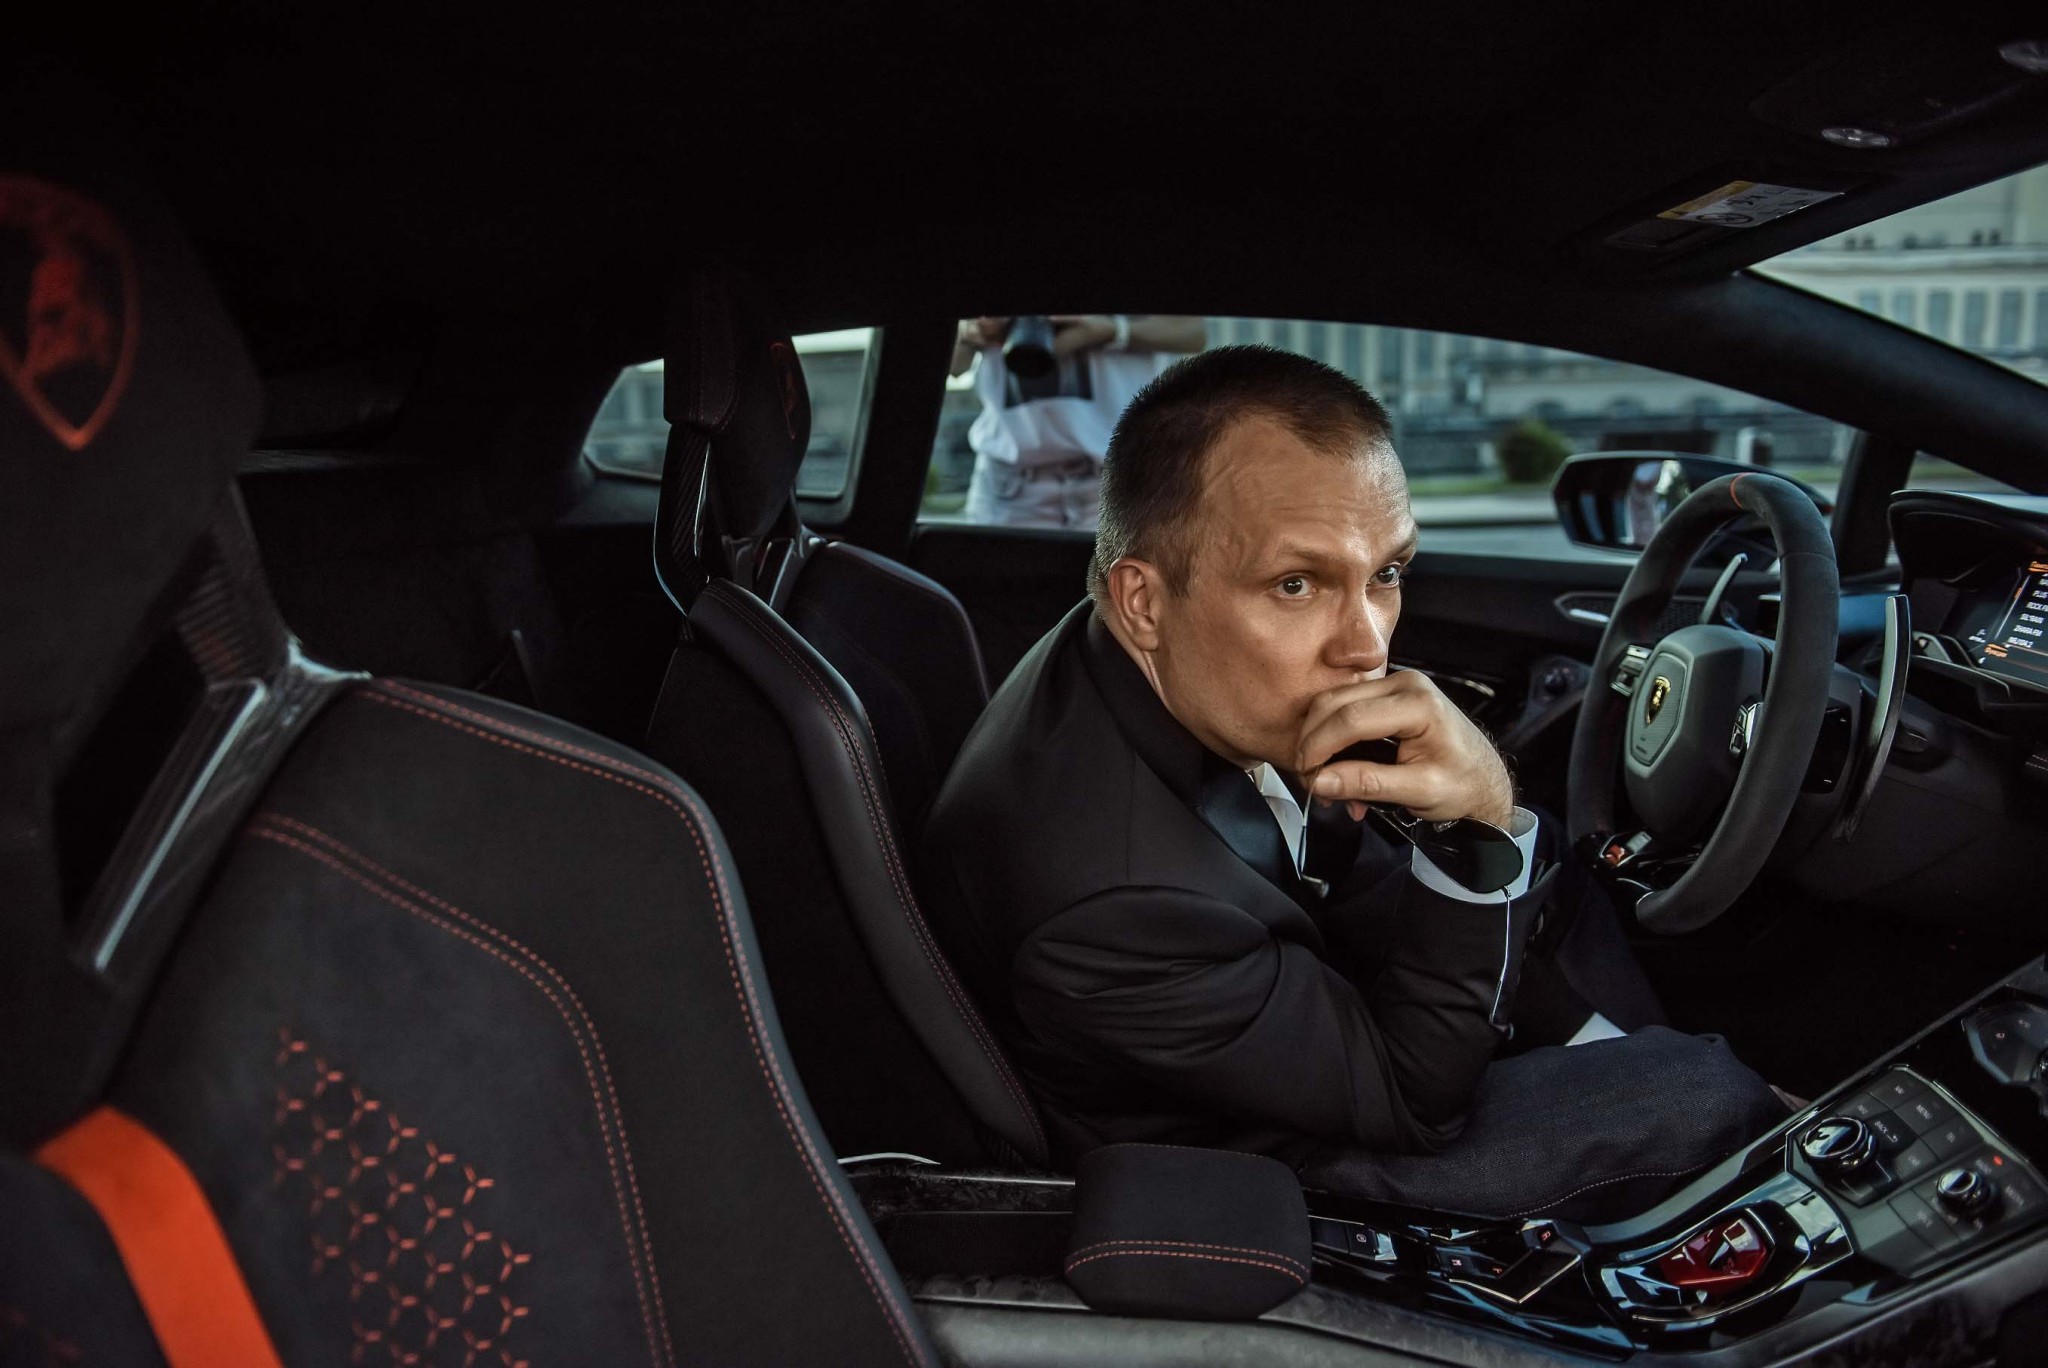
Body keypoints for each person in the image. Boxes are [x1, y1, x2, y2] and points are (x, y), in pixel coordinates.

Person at [920, 345, 1786, 1222]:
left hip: (1263, 1002)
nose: (1368, 646)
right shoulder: (1113, 901)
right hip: (1242, 1175)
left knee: (1549, 861)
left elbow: (1349, 879)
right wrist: (1481, 828)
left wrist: (1584, 1021)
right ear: (1143, 600)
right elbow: (1415, 1103)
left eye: (1388, 574)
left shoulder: (1164, 665)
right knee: (1701, 1101)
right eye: (1296, 584)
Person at [952, 314, 1207, 529]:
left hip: (1121, 479)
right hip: (1010, 484)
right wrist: (971, 330)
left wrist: (1112, 331)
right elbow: (953, 364)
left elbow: (1192, 332)